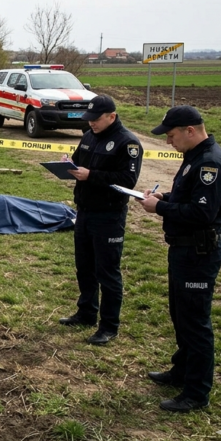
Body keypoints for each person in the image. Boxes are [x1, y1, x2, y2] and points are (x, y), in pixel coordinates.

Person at [138, 106, 221, 413]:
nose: (168, 142)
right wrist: (164, 198)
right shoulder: (194, 157)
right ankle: (181, 371)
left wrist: (160, 209)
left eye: (171, 135)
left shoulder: (210, 163)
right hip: (183, 249)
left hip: (198, 253)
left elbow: (202, 213)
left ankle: (196, 392)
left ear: (190, 130)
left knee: (195, 322)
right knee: (180, 315)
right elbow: (188, 198)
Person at [59, 95, 143, 345]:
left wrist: (91, 175)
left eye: (96, 120)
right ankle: (86, 313)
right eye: (89, 119)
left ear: (112, 117)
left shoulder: (128, 143)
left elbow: (127, 181)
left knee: (107, 271)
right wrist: (67, 166)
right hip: (84, 211)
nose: (91, 123)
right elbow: (78, 162)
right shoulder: (88, 135)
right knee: (84, 267)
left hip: (109, 215)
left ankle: (109, 326)